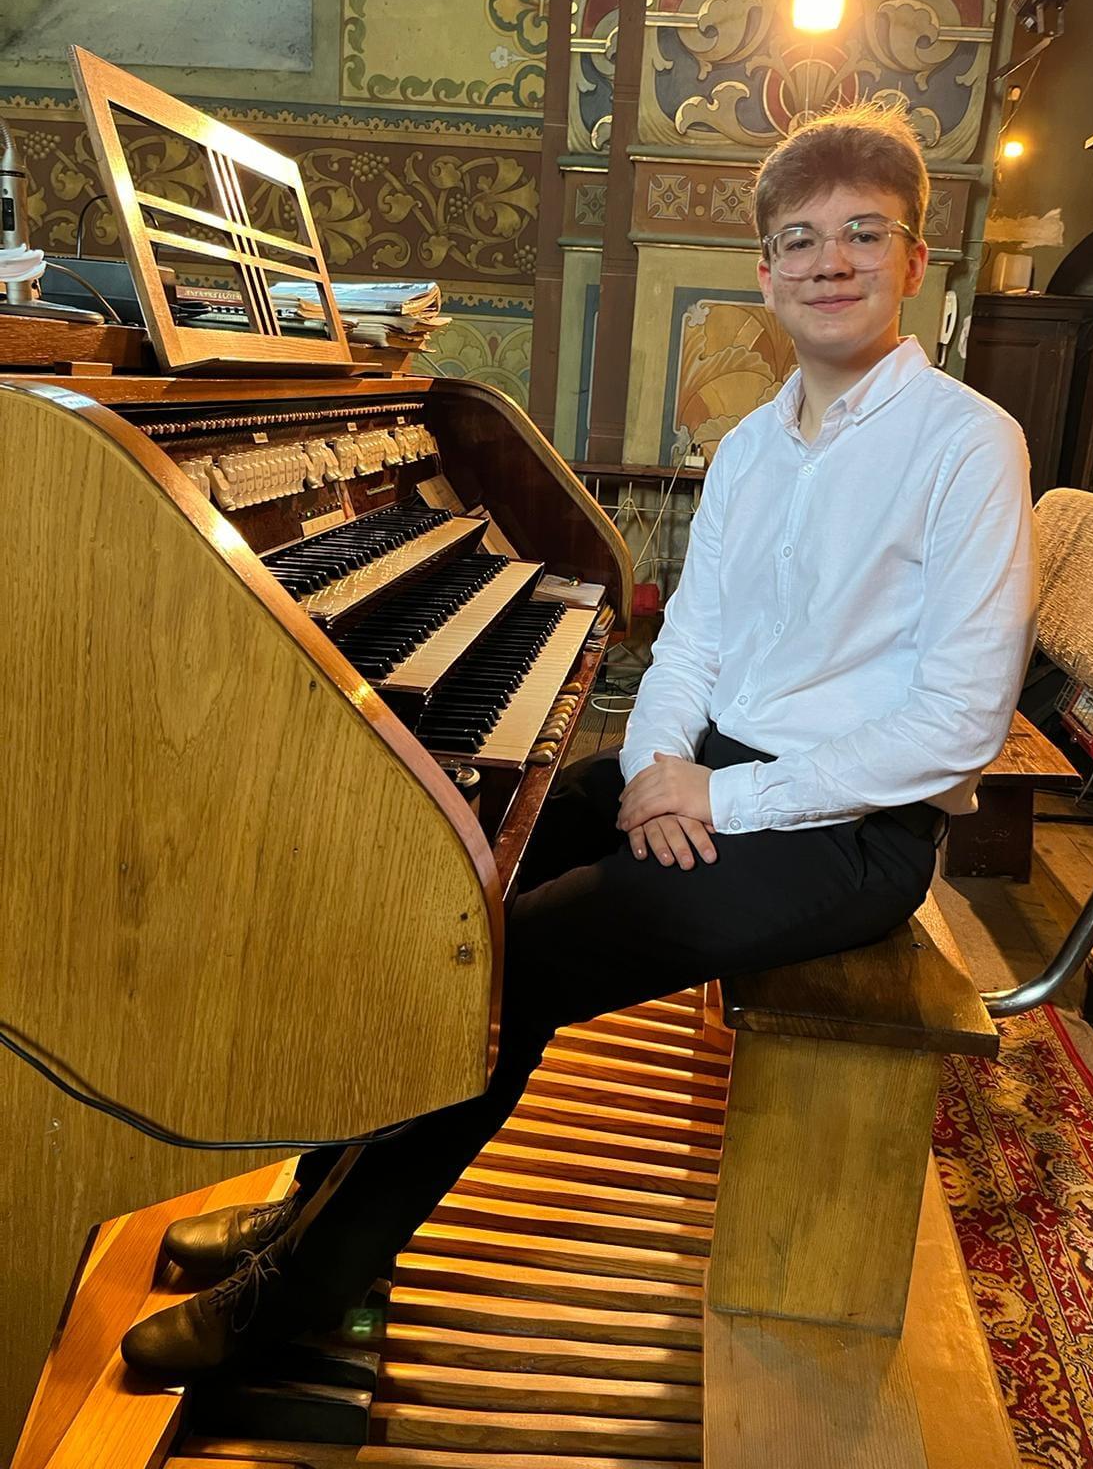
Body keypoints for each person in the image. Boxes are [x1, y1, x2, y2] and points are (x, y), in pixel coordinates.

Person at [121, 102, 1038, 1376]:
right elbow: (692, 641)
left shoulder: (968, 443)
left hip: (855, 830)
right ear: (765, 271)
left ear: (915, 259)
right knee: (453, 886)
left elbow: (959, 726)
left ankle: (303, 1294)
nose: (829, 260)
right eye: (799, 238)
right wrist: (660, 765)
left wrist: (719, 802)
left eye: (862, 232)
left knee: (524, 960)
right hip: (710, 772)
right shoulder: (753, 445)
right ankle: (312, 1203)